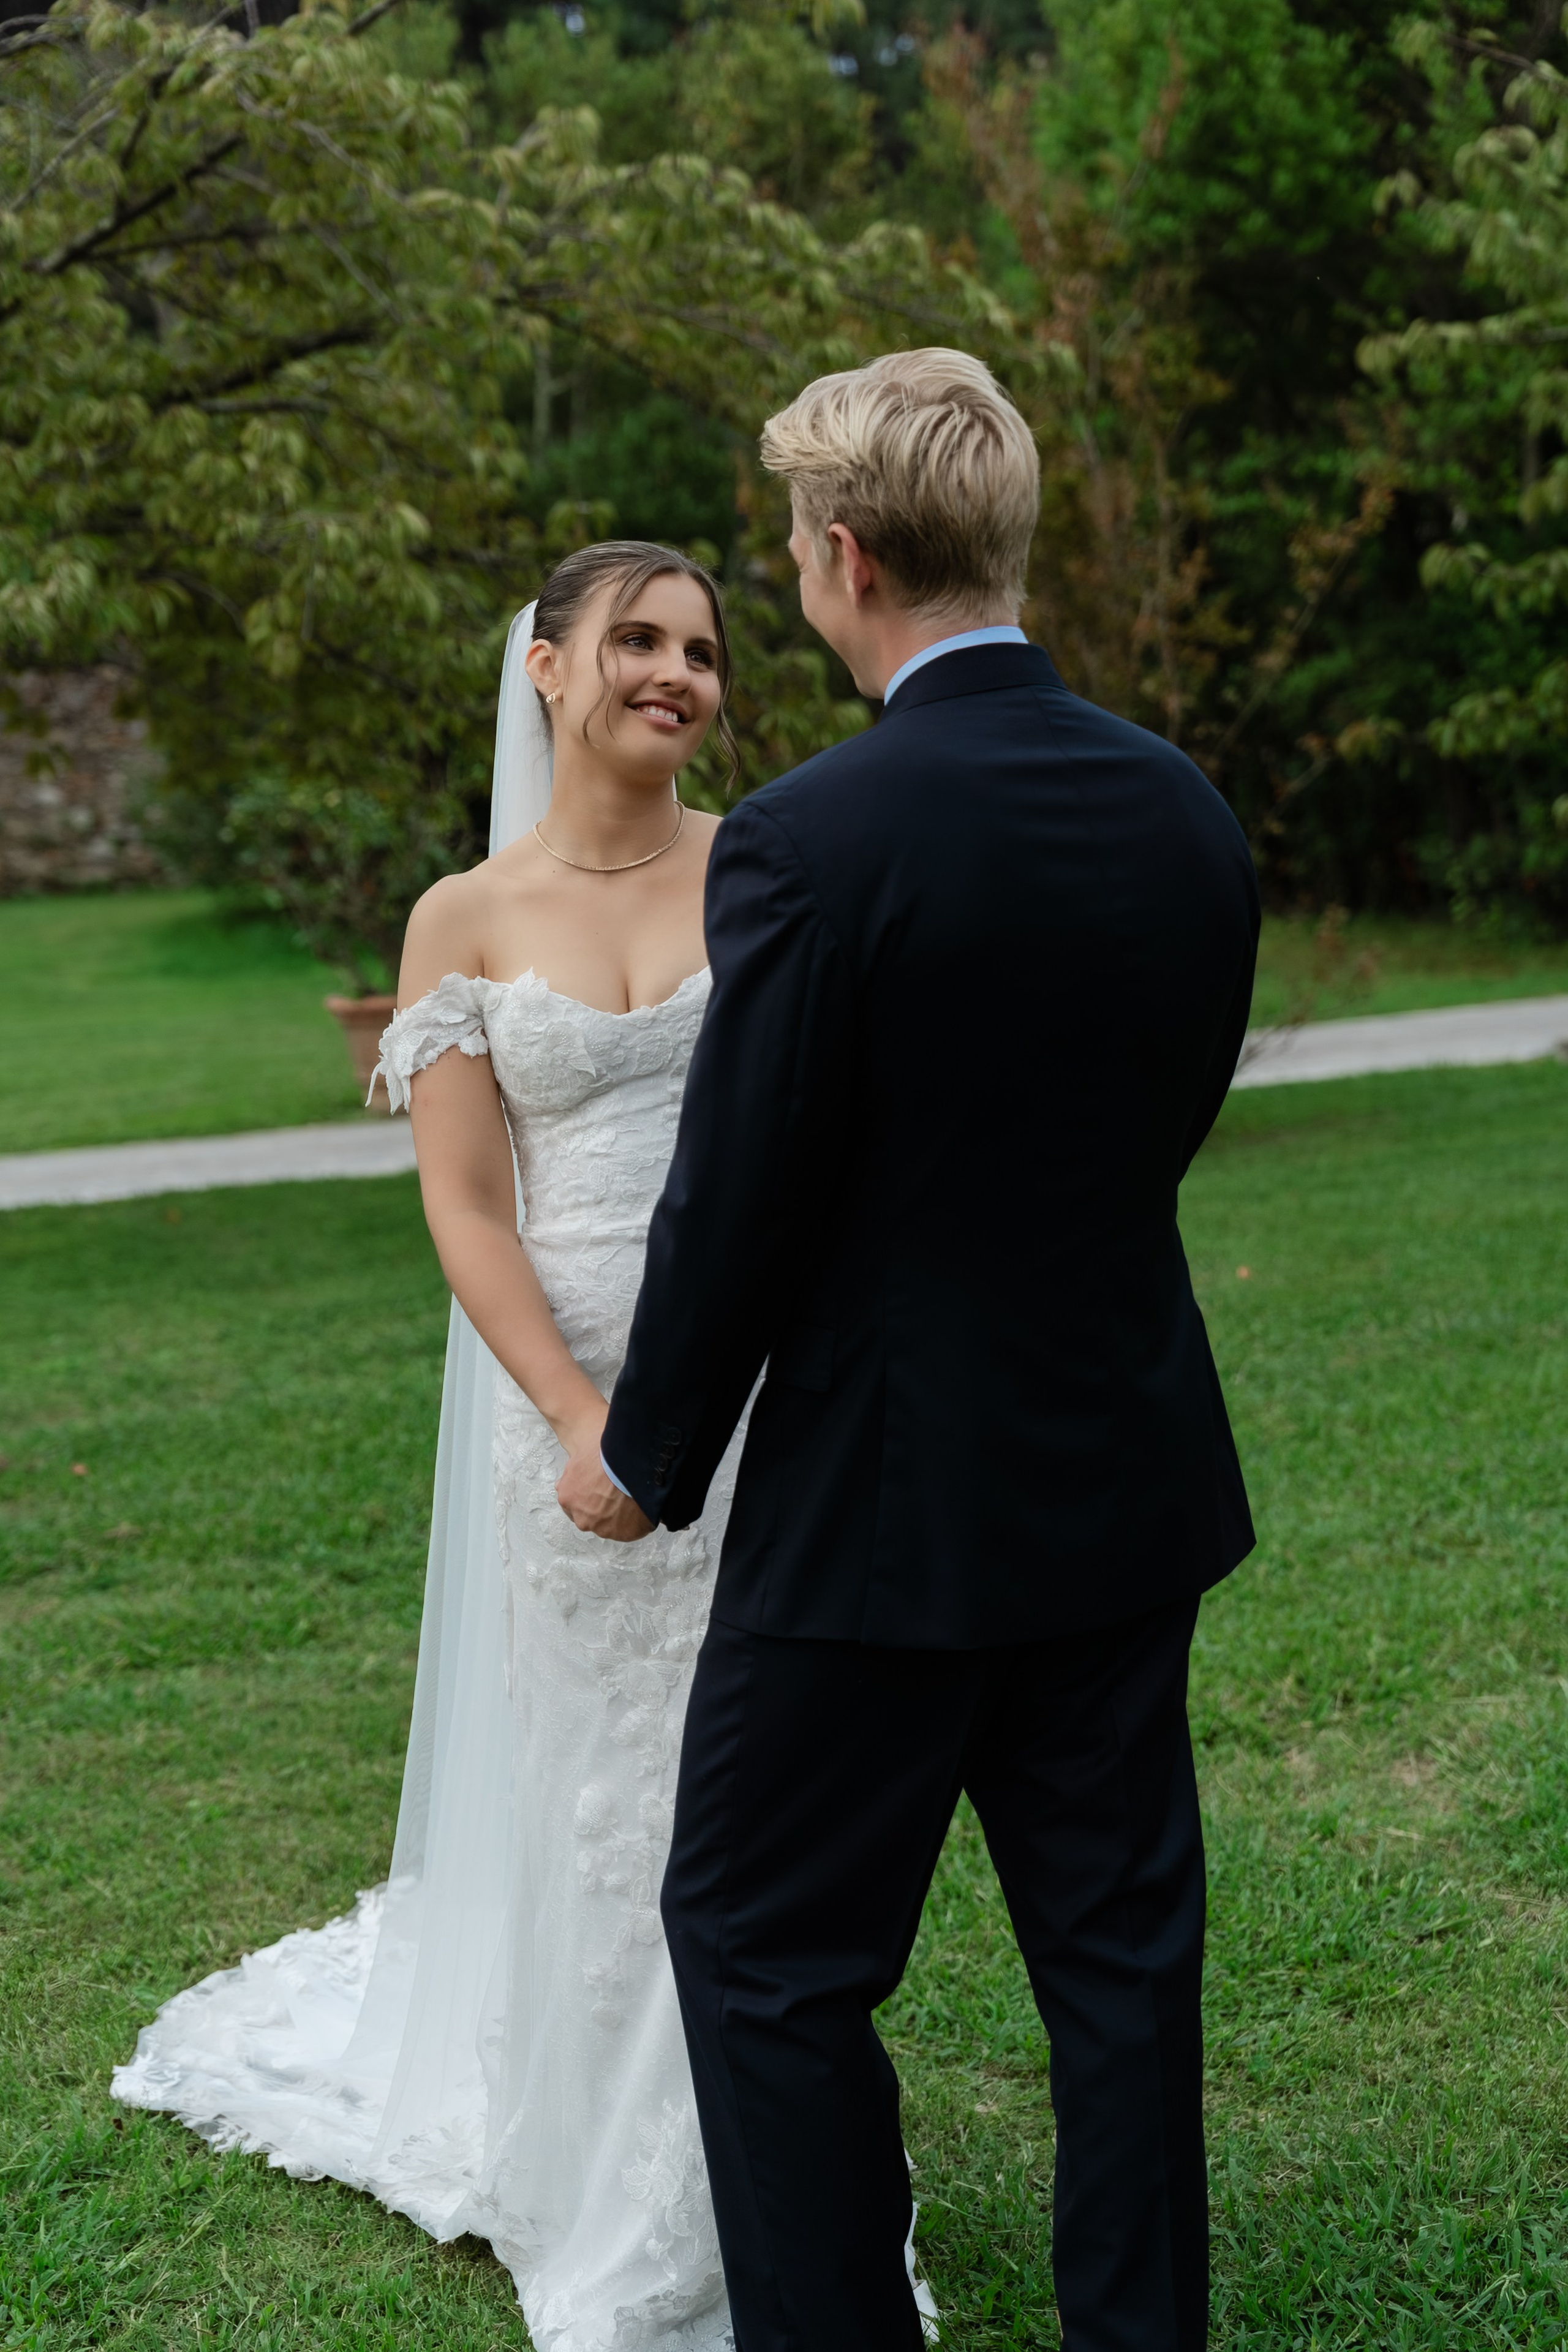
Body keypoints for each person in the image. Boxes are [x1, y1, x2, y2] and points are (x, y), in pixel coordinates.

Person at [116, 542, 895, 2351]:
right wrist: (575, 1416)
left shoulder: (764, 866)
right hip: (569, 1418)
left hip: (763, 1405)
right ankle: (622, 2175)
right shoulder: (459, 922)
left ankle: (752, 2165)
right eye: (635, 639)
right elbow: (468, 1207)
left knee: (749, 1801)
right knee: (603, 1801)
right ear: (544, 669)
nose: (677, 673)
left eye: (702, 647)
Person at [559, 350, 1261, 2352]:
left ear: (844, 557)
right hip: (1123, 1482)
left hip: (879, 1519)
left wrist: (653, 1447)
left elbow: (745, 1193)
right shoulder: (1182, 807)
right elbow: (1158, 1116)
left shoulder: (808, 838)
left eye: (789, 542)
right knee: (1123, 1961)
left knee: (767, 1947)